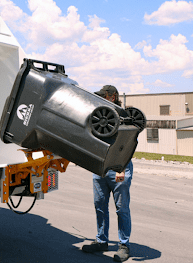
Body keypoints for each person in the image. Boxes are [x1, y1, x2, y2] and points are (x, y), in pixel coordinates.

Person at [82, 85, 133, 262]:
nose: (101, 99)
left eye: (104, 96)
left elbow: (128, 144)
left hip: (119, 166)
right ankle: (101, 240)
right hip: (100, 167)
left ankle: (124, 245)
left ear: (112, 97)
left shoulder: (125, 116)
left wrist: (121, 168)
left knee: (121, 208)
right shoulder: (98, 115)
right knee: (100, 205)